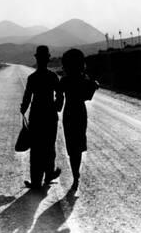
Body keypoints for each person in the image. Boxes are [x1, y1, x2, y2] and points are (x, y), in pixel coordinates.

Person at [20, 45, 63, 189]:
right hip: (50, 116)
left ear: (37, 59)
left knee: (36, 148)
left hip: (37, 116)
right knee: (49, 146)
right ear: (48, 59)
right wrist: (57, 106)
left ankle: (36, 181)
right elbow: (60, 94)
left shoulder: (32, 78)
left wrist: (23, 109)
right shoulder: (52, 77)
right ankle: (49, 174)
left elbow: (27, 97)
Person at [59, 48, 99, 189]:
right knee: (79, 143)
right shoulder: (84, 79)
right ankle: (76, 175)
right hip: (80, 113)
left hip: (68, 113)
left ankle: (75, 174)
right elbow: (88, 96)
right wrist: (93, 85)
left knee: (71, 146)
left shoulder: (64, 80)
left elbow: (58, 105)